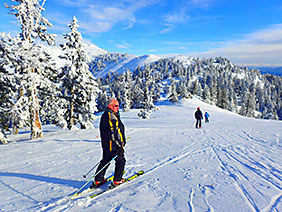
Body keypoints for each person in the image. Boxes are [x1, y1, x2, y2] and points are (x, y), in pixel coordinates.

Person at [91, 99, 126, 188]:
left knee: (106, 159)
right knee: (120, 160)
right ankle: (117, 180)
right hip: (113, 145)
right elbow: (114, 132)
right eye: (115, 106)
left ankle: (98, 179)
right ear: (110, 106)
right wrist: (120, 144)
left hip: (107, 144)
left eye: (118, 106)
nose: (118, 108)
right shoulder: (111, 116)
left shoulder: (108, 115)